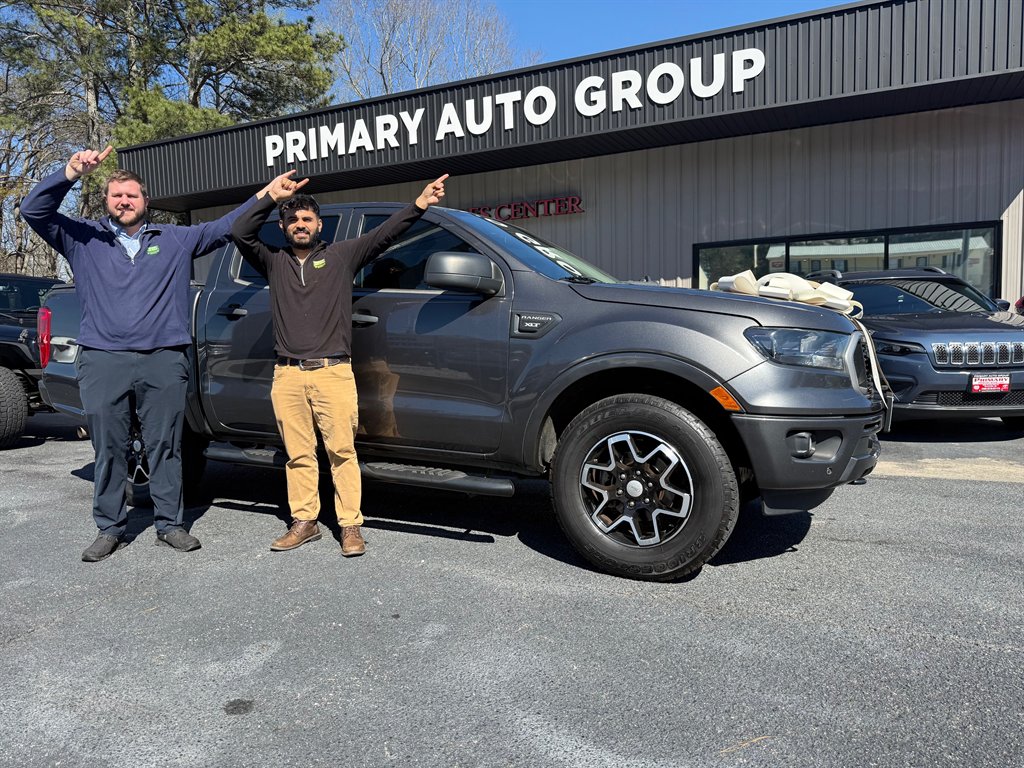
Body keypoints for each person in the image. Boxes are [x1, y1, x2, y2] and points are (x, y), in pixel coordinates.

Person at [21, 146, 263, 562]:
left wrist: (267, 195)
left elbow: (227, 226)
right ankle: (110, 528)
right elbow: (33, 210)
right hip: (103, 359)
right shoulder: (81, 238)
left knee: (165, 445)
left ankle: (170, 524)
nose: (124, 201)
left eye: (131, 195)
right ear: (106, 201)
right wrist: (70, 172)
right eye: (117, 195)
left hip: (163, 359)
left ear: (145, 201)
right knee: (109, 448)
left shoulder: (174, 239)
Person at [231, 170, 448, 556]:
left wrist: (419, 204)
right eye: (292, 220)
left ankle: (350, 525)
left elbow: (384, 235)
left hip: (332, 372)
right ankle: (305, 522)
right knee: (297, 455)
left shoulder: (341, 256)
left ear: (319, 225)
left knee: (341, 453)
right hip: (288, 375)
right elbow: (240, 230)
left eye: (307, 219)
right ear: (282, 227)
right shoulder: (273, 261)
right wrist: (270, 196)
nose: (300, 224)